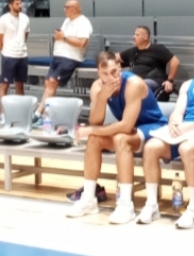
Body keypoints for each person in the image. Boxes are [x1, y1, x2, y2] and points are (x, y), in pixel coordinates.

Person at [67, 51, 168, 221]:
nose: (111, 77)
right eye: (105, 74)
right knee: (94, 139)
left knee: (120, 138)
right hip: (131, 130)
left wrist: (90, 129)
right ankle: (89, 199)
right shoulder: (97, 87)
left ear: (119, 67)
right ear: (98, 73)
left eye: (114, 71)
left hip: (154, 128)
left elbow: (126, 126)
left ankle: (126, 204)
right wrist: (102, 98)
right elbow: (95, 122)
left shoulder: (133, 84)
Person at [137, 42, 194, 228]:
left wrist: (189, 127)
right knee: (151, 147)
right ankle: (152, 205)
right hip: (185, 129)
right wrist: (174, 123)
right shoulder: (188, 84)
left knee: (187, 148)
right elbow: (178, 111)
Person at [33, 0, 93, 123]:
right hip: (58, 56)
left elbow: (82, 43)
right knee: (48, 83)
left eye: (67, 7)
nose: (64, 9)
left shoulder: (83, 22)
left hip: (70, 57)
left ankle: (39, 114)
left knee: (52, 82)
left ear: (75, 8)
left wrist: (64, 37)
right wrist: (59, 37)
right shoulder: (67, 20)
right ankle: (46, 115)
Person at [0, 0, 30, 124]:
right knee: (5, 85)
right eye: (17, 4)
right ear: (10, 5)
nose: (20, 5)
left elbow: (25, 35)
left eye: (20, 3)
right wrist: (6, 50)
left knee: (20, 85)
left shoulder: (25, 18)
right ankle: (3, 114)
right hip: (8, 56)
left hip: (22, 55)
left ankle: (19, 113)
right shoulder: (3, 20)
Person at [118, 25, 180, 94]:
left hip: (153, 81)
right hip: (134, 81)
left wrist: (170, 81)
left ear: (145, 37)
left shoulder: (158, 49)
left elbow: (175, 62)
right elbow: (115, 58)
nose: (134, 37)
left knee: (139, 85)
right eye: (134, 34)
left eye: (137, 35)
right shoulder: (133, 51)